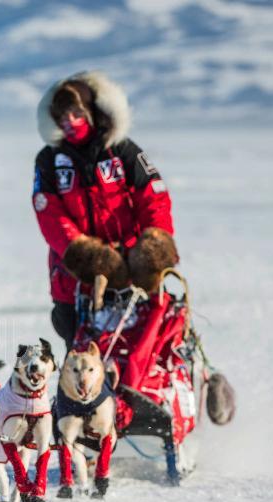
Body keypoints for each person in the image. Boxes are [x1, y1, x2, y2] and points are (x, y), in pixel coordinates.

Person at [32, 71, 178, 350]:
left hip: (133, 270)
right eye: (63, 118)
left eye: (76, 113)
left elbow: (154, 198)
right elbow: (49, 214)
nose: (70, 122)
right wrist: (87, 255)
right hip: (74, 277)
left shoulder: (122, 151)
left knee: (143, 345)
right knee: (81, 356)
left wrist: (153, 248)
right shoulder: (49, 160)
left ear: (93, 111)